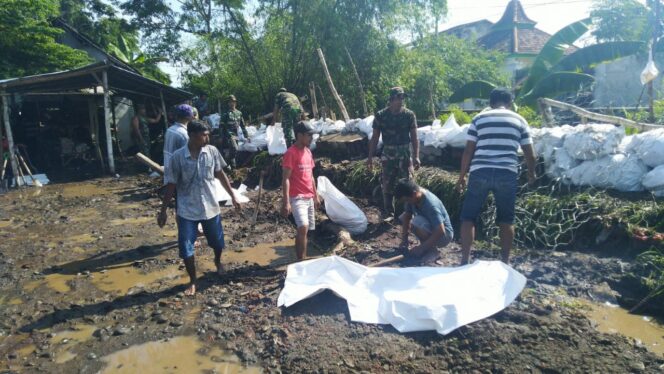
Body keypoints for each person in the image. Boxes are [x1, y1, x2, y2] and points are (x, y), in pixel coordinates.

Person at [158, 120, 241, 296]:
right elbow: (171, 184)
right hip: (187, 209)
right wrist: (163, 210)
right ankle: (193, 280)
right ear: (192, 135)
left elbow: (220, 174)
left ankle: (217, 261)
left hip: (211, 207)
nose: (207, 138)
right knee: (186, 247)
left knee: (217, 242)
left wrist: (233, 196)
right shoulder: (178, 157)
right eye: (204, 135)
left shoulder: (212, 152)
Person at [456, 88, 537, 265]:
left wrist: (462, 176)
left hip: (480, 171)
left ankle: (464, 260)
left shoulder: (479, 119)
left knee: (468, 217)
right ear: (509, 103)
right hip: (506, 173)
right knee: (506, 219)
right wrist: (531, 174)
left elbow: (468, 151)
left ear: (491, 103)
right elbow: (530, 154)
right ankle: (505, 261)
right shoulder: (520, 120)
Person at [367, 86, 420, 217]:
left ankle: (407, 213)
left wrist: (416, 156)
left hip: (404, 154)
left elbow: (414, 137)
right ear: (392, 99)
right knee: (387, 183)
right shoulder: (381, 115)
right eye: (399, 97)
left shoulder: (409, 115)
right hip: (388, 153)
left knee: (407, 183)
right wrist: (370, 157)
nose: (402, 100)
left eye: (403, 97)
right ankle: (389, 212)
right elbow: (375, 138)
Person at [281, 121, 320, 260]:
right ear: (299, 135)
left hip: (309, 196)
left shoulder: (308, 152)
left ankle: (301, 255)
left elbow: (311, 176)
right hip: (297, 197)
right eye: (309, 135)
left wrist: (315, 195)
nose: (311, 138)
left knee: (306, 229)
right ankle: (301, 260)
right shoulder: (290, 153)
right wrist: (286, 202)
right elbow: (285, 178)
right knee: (303, 226)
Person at [395, 179, 454, 260]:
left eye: (407, 200)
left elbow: (441, 231)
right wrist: (404, 239)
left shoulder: (431, 205)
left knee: (417, 222)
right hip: (433, 228)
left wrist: (421, 248)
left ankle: (433, 251)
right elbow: (407, 216)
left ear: (414, 194)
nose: (407, 202)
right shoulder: (412, 198)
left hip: (444, 236)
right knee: (403, 217)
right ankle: (427, 247)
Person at [163, 104, 194, 182]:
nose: (193, 116)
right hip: (179, 171)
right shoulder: (184, 134)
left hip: (168, 165)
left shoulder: (170, 129)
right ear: (188, 117)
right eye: (192, 114)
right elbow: (187, 156)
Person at [218, 95, 249, 169]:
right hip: (229, 135)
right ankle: (228, 165)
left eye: (233, 102)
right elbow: (221, 126)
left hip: (238, 135)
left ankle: (230, 166)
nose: (232, 103)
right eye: (230, 102)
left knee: (234, 152)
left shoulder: (239, 113)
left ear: (236, 103)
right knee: (235, 149)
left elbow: (242, 125)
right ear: (228, 103)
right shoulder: (225, 114)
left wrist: (246, 136)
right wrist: (221, 137)